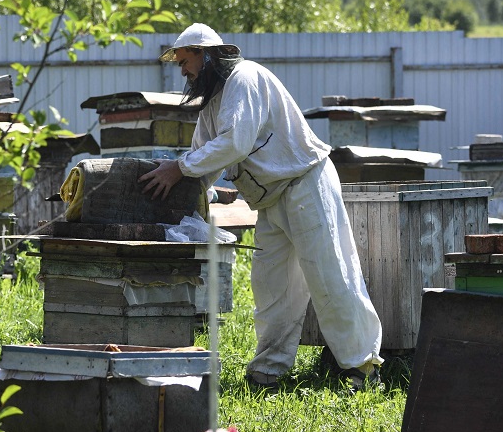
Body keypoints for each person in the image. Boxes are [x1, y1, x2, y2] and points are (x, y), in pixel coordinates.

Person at [138, 23, 383, 391]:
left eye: (186, 62)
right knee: (272, 287)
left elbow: (235, 142)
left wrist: (180, 169)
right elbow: (203, 161)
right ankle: (269, 371)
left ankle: (362, 369)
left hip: (306, 184)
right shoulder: (212, 106)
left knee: (331, 274)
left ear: (206, 55)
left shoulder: (245, 78)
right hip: (271, 200)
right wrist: (182, 197)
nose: (184, 72)